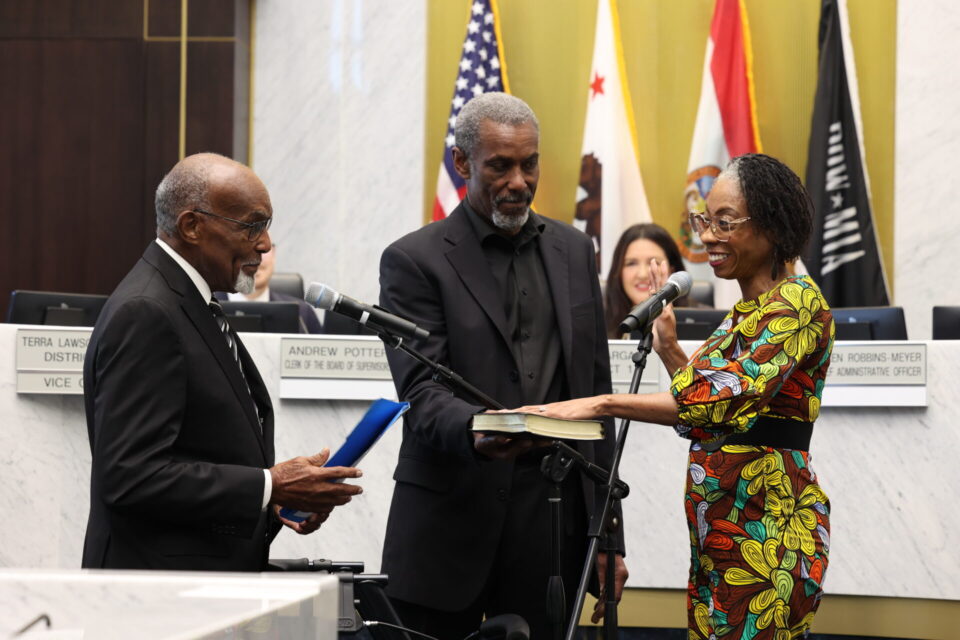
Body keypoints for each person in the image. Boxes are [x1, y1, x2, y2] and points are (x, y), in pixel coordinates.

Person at [513, 154, 834, 639]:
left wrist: (602, 404)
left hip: (768, 537)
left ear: (771, 224)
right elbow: (707, 412)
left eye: (724, 223)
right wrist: (668, 350)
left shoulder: (798, 304)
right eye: (704, 221)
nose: (706, 237)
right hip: (721, 532)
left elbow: (718, 401)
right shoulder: (745, 313)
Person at [377, 92, 628, 638]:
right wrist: (475, 431)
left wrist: (608, 538)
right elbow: (420, 390)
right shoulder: (413, 260)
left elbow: (597, 395)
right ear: (463, 163)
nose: (519, 181)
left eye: (529, 163)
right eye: (500, 165)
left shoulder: (575, 251)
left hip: (551, 530)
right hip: (446, 527)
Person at [82, 153, 363, 571]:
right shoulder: (147, 311)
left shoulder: (192, 299)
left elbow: (202, 450)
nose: (265, 244)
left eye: (266, 227)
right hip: (157, 595)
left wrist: (276, 502)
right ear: (193, 226)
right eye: (252, 226)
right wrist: (270, 484)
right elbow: (130, 476)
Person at [604, 222, 702, 338]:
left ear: (672, 270)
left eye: (655, 262)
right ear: (618, 270)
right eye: (631, 263)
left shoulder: (707, 322)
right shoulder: (596, 322)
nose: (642, 274)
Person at [216, 243, 324, 334]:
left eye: (262, 248)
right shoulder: (208, 308)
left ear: (274, 254)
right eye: (246, 246)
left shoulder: (302, 314)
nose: (255, 258)